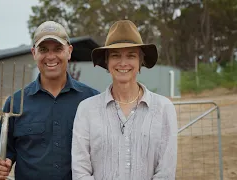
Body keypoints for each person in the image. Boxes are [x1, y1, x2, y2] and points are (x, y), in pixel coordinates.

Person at [0, 21, 99, 180]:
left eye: (58, 49)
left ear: (69, 51)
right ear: (34, 53)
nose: (51, 56)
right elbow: (3, 152)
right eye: (43, 49)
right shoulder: (16, 103)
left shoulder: (91, 99)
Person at [71, 20, 178, 180]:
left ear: (141, 61)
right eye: (115, 55)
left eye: (131, 55)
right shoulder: (86, 110)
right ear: (106, 61)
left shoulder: (163, 108)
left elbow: (166, 172)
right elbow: (81, 172)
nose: (123, 63)